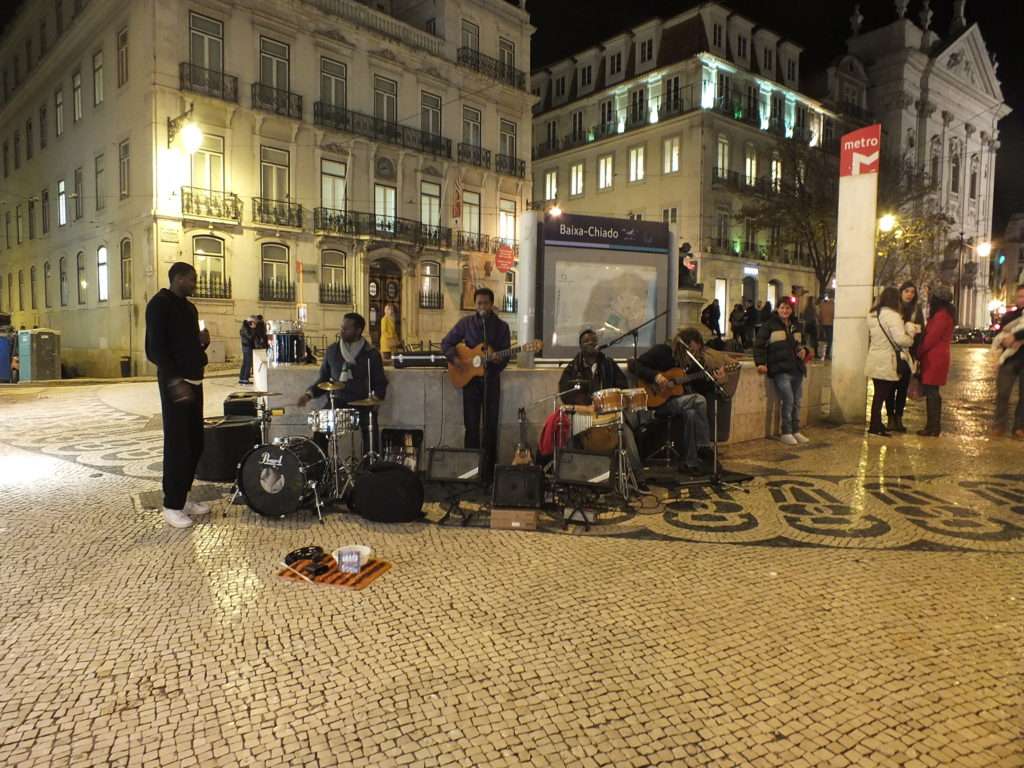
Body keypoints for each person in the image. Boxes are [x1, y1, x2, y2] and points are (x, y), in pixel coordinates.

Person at [145, 262, 211, 529]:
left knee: (195, 443)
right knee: (177, 445)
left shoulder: (189, 307)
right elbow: (155, 349)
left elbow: (186, 345)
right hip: (176, 384)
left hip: (194, 381)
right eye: (191, 279)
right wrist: (174, 381)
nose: (194, 283)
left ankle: (183, 498)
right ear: (178, 278)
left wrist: (201, 343)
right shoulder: (159, 304)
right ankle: (171, 505)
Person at [559, 329, 647, 489]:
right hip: (586, 415)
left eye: (594, 340)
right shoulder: (573, 368)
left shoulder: (609, 364)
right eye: (587, 341)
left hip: (610, 416)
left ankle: (638, 478)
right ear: (580, 346)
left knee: (627, 434)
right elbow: (565, 392)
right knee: (569, 434)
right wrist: (588, 404)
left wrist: (610, 398)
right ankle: (574, 479)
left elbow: (622, 386)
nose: (592, 343)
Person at [441, 287, 511, 484]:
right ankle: (470, 471)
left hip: (491, 380)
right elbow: (446, 343)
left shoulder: (501, 327)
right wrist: (456, 361)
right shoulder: (466, 323)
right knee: (471, 426)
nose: (481, 307)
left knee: (490, 427)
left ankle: (489, 473)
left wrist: (497, 359)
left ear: (491, 304)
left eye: (485, 303)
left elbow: (505, 356)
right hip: (470, 382)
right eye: (478, 303)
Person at [629, 329, 718, 475]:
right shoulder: (663, 351)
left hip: (678, 402)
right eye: (693, 349)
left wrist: (714, 379)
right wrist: (656, 377)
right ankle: (703, 446)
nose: (694, 354)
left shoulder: (692, 364)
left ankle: (690, 463)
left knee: (691, 413)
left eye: (696, 351)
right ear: (684, 345)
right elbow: (634, 365)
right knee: (699, 400)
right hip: (658, 403)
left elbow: (701, 385)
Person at [298, 313, 388, 456]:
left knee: (371, 434)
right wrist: (309, 394)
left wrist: (377, 398)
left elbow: (380, 381)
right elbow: (323, 379)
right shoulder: (332, 351)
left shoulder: (370, 353)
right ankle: (321, 467)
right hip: (338, 400)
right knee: (319, 428)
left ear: (358, 331)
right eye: (342, 327)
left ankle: (371, 469)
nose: (342, 331)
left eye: (347, 328)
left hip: (363, 402)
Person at [754, 297, 811, 445]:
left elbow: (803, 343)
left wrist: (804, 350)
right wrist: (760, 363)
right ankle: (786, 431)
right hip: (780, 369)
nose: (785, 311)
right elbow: (759, 345)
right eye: (782, 308)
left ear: (791, 310)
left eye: (788, 308)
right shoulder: (769, 325)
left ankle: (796, 430)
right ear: (777, 309)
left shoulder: (796, 325)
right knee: (788, 399)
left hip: (797, 368)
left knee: (797, 401)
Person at [865, 286, 917, 437]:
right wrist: (911, 337)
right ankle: (875, 425)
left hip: (874, 356)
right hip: (887, 359)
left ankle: (876, 422)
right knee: (882, 393)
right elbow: (900, 339)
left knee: (878, 393)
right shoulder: (893, 316)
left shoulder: (872, 314)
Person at [885, 281, 925, 432]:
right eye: (906, 291)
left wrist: (917, 355)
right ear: (901, 292)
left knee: (902, 388)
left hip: (909, 354)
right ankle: (890, 418)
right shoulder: (893, 309)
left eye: (912, 292)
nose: (909, 294)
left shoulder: (916, 310)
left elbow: (921, 332)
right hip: (893, 352)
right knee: (890, 387)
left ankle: (898, 418)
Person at [915, 286, 955, 437]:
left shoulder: (941, 316)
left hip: (934, 358)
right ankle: (932, 426)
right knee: (933, 392)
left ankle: (932, 427)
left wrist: (919, 352)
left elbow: (931, 338)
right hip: (937, 357)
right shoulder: (945, 314)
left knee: (932, 392)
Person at [993, 283, 1024, 438]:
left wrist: (1017, 337)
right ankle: (999, 425)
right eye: (1020, 296)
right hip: (1009, 359)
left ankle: (1019, 427)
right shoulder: (1010, 316)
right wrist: (1004, 339)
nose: (1022, 300)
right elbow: (1000, 334)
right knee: (1003, 393)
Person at [238, 316, 255, 385]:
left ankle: (242, 378)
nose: (253, 324)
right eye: (252, 322)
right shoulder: (245, 329)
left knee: (245, 363)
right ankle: (245, 379)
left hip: (245, 347)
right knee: (248, 363)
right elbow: (250, 337)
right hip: (247, 347)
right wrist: (253, 329)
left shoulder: (244, 328)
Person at [801, 296, 819, 361]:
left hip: (807, 325)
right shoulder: (813, 308)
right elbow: (815, 317)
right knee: (814, 340)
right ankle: (815, 354)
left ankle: (807, 353)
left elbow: (804, 317)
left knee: (807, 340)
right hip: (812, 325)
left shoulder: (806, 308)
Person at [818, 295, 835, 359]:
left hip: (823, 324)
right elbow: (834, 315)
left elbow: (820, 315)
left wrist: (820, 323)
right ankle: (827, 354)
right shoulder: (833, 305)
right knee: (830, 339)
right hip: (830, 324)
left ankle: (823, 353)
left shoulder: (822, 305)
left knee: (824, 340)